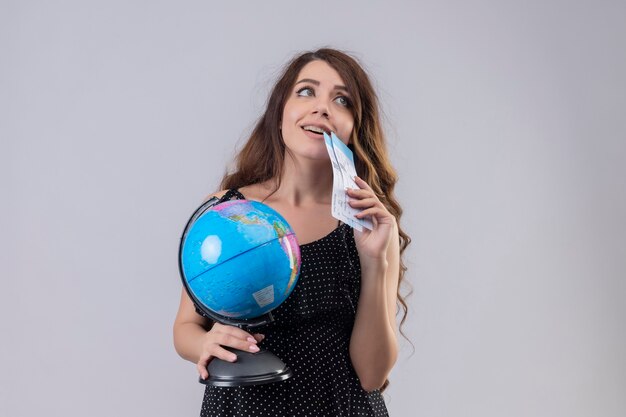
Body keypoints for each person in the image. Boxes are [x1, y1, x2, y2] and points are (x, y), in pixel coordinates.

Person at [173, 48, 410, 417]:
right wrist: (205, 343)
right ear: (279, 113)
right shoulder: (227, 212)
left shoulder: (370, 224)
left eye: (342, 100)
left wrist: (376, 259)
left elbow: (371, 376)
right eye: (306, 91)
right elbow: (186, 328)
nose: (322, 108)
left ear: (353, 129)